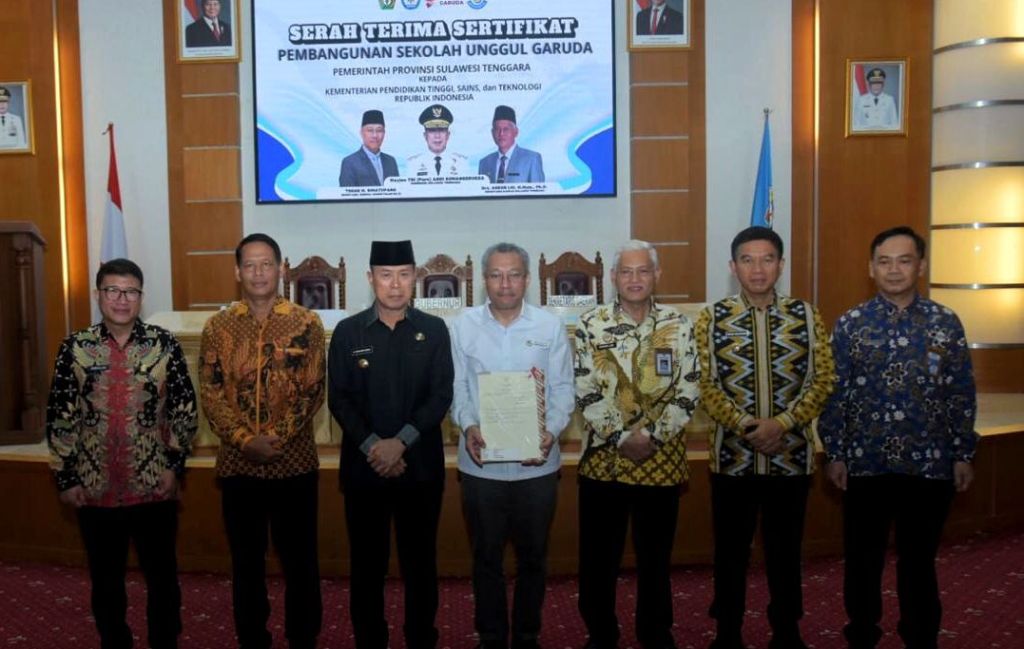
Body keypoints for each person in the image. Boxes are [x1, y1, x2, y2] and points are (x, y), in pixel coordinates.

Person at [819, 226, 978, 649]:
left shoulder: (945, 323)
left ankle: (921, 637)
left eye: (904, 261)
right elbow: (834, 393)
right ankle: (862, 635)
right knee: (862, 561)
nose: (893, 270)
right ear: (870, 268)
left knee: (919, 562)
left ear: (920, 266)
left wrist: (963, 452)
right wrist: (835, 453)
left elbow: (961, 391)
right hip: (864, 462)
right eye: (884, 261)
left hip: (929, 463)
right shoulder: (851, 324)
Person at [695, 227, 836, 649]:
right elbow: (703, 383)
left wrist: (784, 423)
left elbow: (823, 379)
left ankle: (787, 632)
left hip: (790, 459)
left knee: (785, 552)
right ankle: (727, 633)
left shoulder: (806, 316)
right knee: (730, 553)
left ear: (781, 264)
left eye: (767, 259)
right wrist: (747, 427)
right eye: (748, 260)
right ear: (732, 266)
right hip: (732, 461)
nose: (757, 269)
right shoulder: (711, 318)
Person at [46, 258, 198, 649]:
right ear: (98, 295)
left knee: (162, 577)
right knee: (105, 580)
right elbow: (61, 414)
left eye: (130, 291)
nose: (121, 299)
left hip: (153, 483)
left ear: (141, 297)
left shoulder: (164, 345)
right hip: (94, 485)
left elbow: (184, 408)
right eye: (112, 290)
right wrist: (66, 476)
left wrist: (175, 466)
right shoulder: (75, 347)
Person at [198, 233, 325, 649]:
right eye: (250, 265)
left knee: (300, 562)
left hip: (294, 464)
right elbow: (211, 392)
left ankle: (303, 638)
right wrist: (243, 440)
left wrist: (275, 438)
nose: (258, 272)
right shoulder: (218, 326)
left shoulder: (306, 323)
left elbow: (313, 390)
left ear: (281, 269)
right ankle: (253, 638)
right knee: (246, 564)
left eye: (266, 264)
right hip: (239, 466)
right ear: (237, 272)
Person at [327, 240, 454, 649]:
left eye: (403, 275)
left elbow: (441, 395)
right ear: (370, 279)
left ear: (415, 277)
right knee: (367, 566)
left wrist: (400, 443)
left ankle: (421, 638)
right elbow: (339, 399)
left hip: (420, 469)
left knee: (420, 565)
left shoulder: (434, 331)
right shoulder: (348, 332)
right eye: (385, 275)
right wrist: (374, 446)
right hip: (365, 471)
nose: (395, 284)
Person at [574, 240, 700, 649]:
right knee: (598, 560)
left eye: (643, 270)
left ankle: (656, 633)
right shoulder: (590, 324)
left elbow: (690, 388)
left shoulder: (679, 325)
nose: (634, 279)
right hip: (604, 463)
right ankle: (601, 635)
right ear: (613, 277)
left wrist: (654, 436)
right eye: (626, 271)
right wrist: (621, 436)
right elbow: (584, 389)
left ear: (656, 275)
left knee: (656, 560)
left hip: (661, 461)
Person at [451, 242, 575, 649]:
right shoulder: (463, 326)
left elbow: (563, 389)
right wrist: (468, 424)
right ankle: (490, 637)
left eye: (514, 274)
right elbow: (456, 388)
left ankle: (526, 636)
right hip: (481, 466)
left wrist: (551, 431)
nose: (505, 284)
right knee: (486, 558)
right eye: (496, 275)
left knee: (533, 559)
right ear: (484, 279)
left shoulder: (549, 326)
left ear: (527, 279)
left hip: (536, 467)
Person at [479, 105, 545, 184]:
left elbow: (539, 191)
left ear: (516, 132)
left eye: (506, 129)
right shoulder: (484, 163)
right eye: (497, 129)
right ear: (492, 133)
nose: (501, 134)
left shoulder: (531, 159)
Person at [339, 110, 399, 187]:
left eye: (379, 130)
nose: (375, 135)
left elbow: (398, 191)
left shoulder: (391, 161)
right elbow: (346, 193)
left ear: (384, 133)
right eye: (370, 130)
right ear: (361, 132)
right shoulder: (350, 162)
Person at [407, 104, 470, 177]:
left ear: (448, 135)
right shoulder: (412, 163)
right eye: (432, 130)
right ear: (425, 136)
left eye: (441, 130)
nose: (437, 136)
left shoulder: (462, 163)